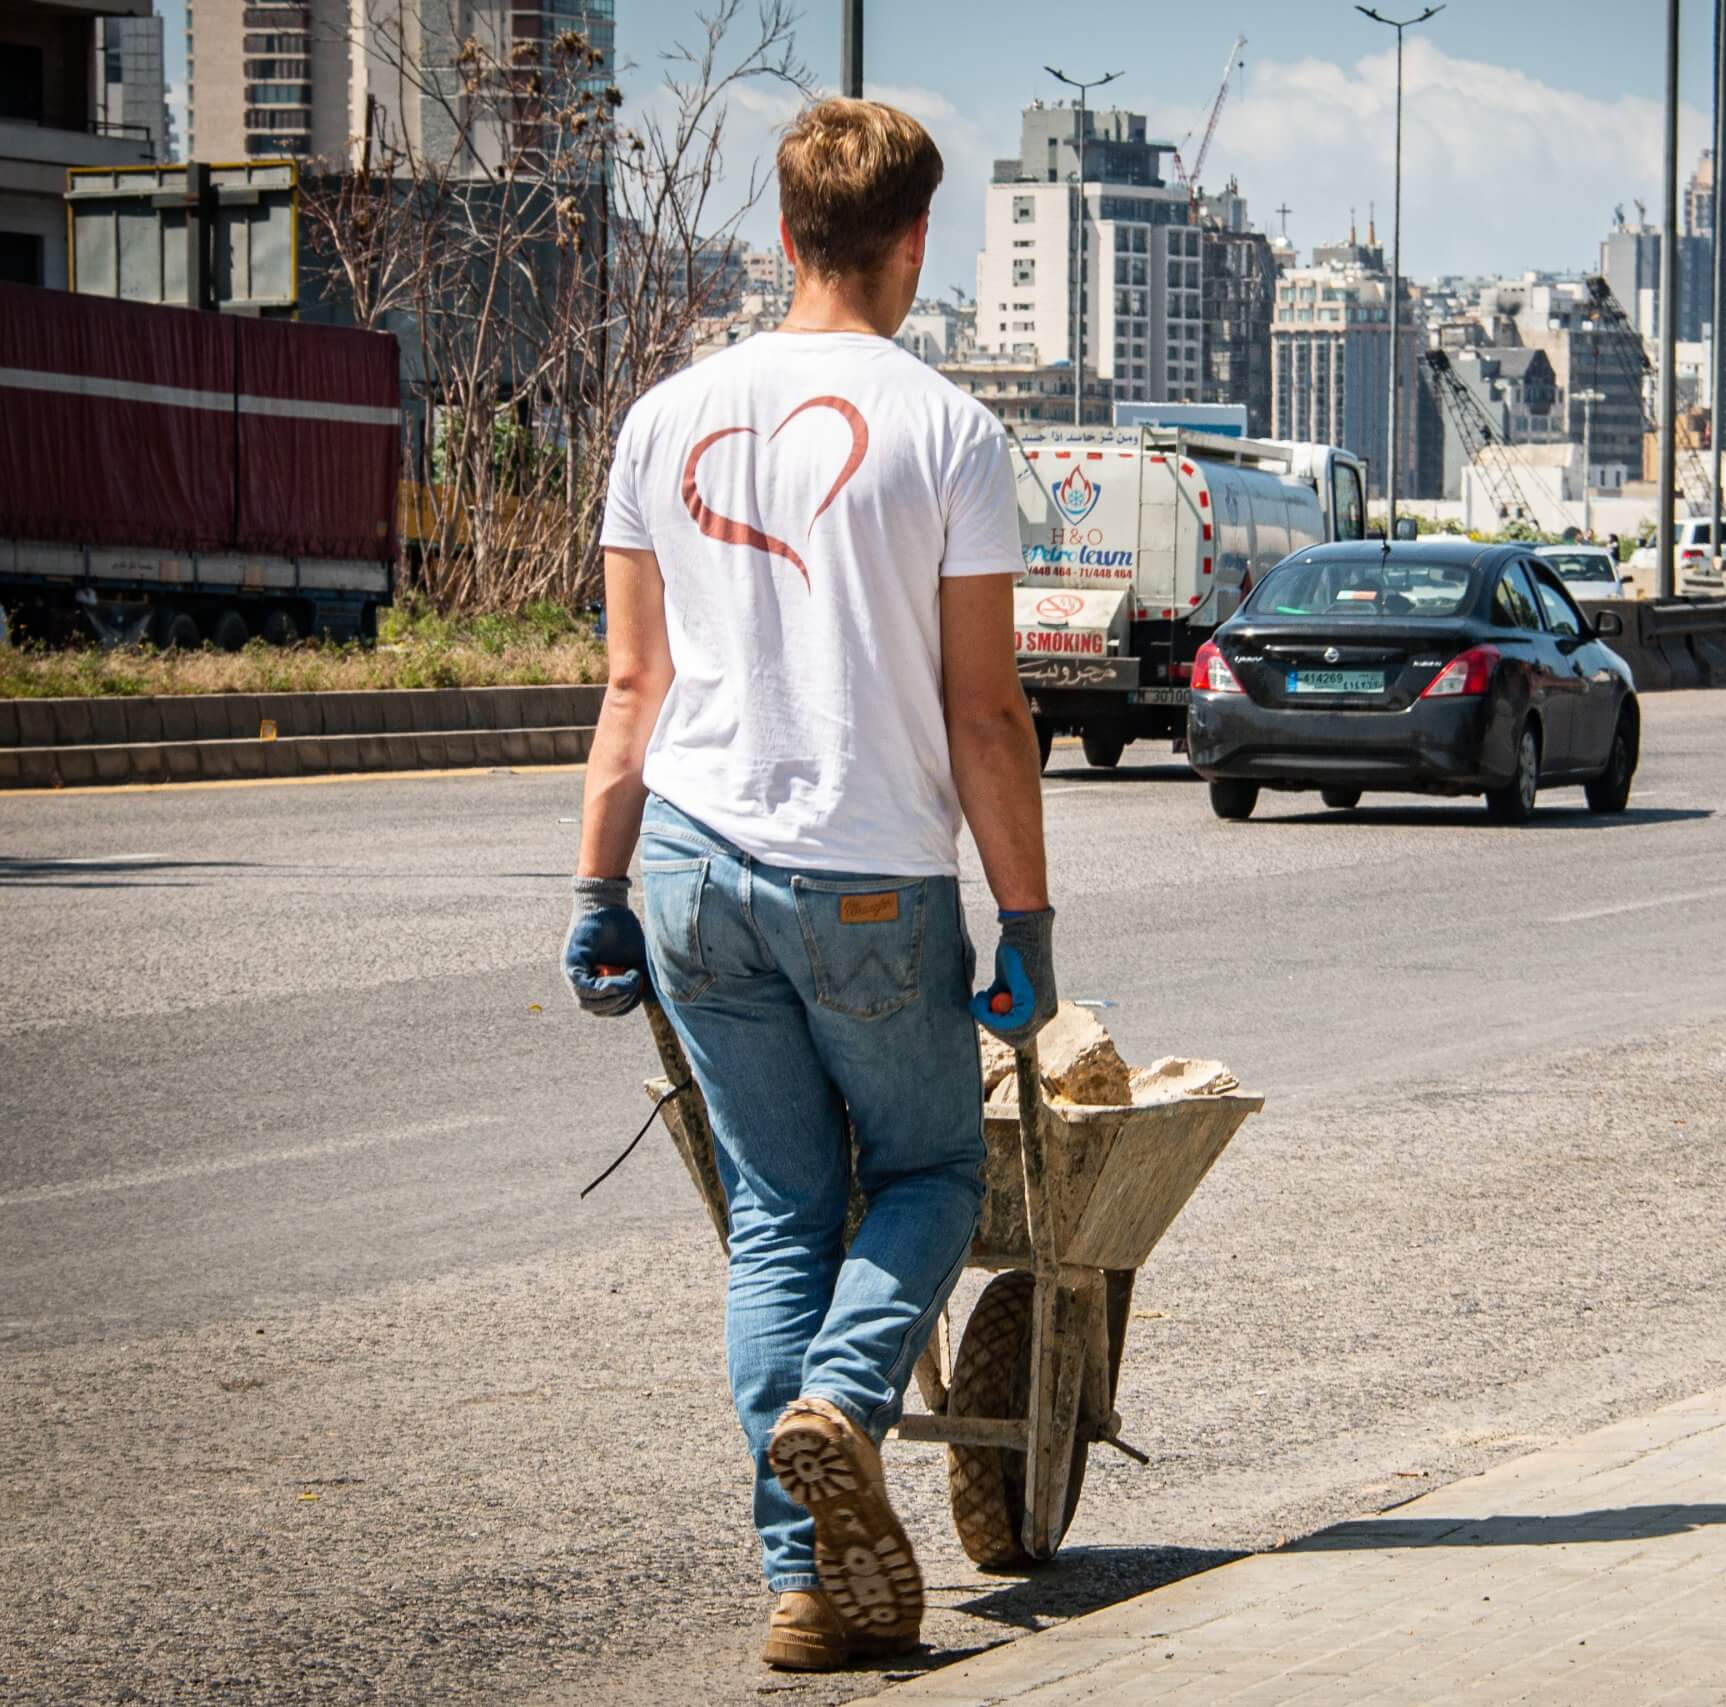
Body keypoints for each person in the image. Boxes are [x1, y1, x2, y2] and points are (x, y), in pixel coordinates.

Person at [559, 97, 1055, 1670]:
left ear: (785, 238)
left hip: (695, 866)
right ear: (914, 243)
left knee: (778, 1213)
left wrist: (596, 890)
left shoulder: (664, 419)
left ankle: (801, 1587)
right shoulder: (950, 434)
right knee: (925, 1177)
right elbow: (986, 711)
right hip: (865, 878)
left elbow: (630, 691)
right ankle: (846, 1399)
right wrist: (1028, 920)